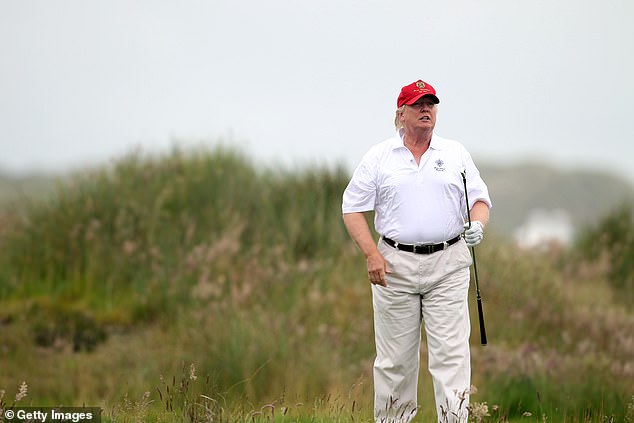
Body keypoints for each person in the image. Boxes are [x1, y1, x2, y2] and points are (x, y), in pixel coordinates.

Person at [341, 80, 492, 423]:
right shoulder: (379, 157)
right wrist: (371, 254)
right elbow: (351, 208)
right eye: (418, 104)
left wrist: (477, 224)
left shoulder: (455, 153)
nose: (426, 110)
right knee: (395, 362)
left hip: (449, 263)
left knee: (451, 359)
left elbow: (479, 201)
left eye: (431, 104)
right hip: (394, 265)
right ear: (401, 114)